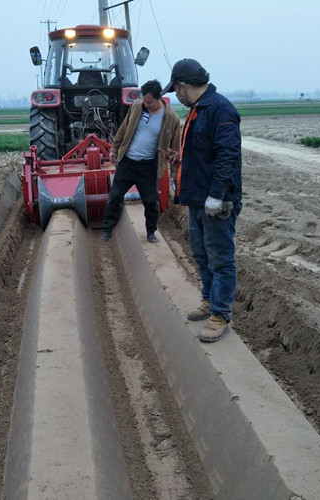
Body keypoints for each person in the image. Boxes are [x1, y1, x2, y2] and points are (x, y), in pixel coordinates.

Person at [161, 59, 242, 342]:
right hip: (198, 197)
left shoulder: (220, 110)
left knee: (220, 258)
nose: (176, 95)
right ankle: (209, 300)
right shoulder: (198, 110)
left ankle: (221, 314)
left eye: (176, 90)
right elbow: (203, 153)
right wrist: (181, 158)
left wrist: (217, 196)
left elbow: (227, 156)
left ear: (183, 86)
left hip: (217, 201)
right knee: (202, 254)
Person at [101, 79, 181, 243]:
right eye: (144, 100)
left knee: (151, 201)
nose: (146, 104)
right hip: (127, 163)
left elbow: (175, 148)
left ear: (159, 98)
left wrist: (174, 172)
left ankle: (151, 232)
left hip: (148, 166)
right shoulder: (137, 106)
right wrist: (114, 149)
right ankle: (107, 229)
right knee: (115, 197)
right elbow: (123, 129)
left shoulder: (170, 117)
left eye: (150, 102)